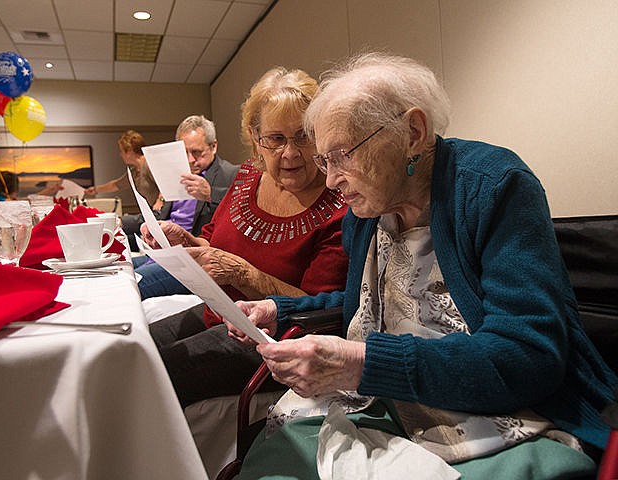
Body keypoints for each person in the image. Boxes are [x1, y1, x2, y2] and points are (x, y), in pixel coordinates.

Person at [229, 53, 618, 479]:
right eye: (325, 161)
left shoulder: (494, 186)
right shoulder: (368, 213)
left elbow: (528, 355)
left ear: (413, 132)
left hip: (504, 411)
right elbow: (368, 300)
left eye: (341, 155)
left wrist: (361, 364)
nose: (331, 180)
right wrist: (278, 309)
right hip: (385, 399)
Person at [141, 67, 350, 408]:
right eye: (276, 139)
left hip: (270, 341)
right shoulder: (248, 176)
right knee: (133, 349)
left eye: (303, 136)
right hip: (219, 313)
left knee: (152, 374)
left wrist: (243, 273)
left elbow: (318, 311)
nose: (290, 153)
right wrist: (185, 241)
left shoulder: (337, 205)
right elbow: (214, 246)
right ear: (256, 138)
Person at [125, 115, 239, 255]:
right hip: (162, 250)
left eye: (196, 152)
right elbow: (161, 214)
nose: (190, 160)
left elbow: (240, 208)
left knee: (137, 276)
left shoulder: (232, 174)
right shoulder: (176, 174)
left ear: (213, 146)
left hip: (194, 255)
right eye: (184, 152)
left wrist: (210, 194)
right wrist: (118, 222)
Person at [84, 130, 159, 205]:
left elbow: (165, 186)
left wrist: (160, 201)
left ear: (129, 152)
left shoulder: (149, 164)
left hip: (160, 212)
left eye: (121, 151)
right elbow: (116, 185)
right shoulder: (134, 171)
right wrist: (96, 190)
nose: (121, 155)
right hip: (150, 212)